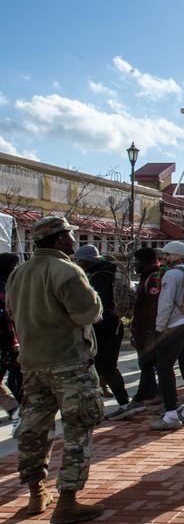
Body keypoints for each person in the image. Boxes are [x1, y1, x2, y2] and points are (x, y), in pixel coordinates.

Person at [6, 216, 105, 521]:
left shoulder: (18, 273)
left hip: (33, 365)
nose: (75, 240)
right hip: (69, 364)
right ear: (60, 239)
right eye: (70, 235)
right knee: (77, 430)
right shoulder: (67, 270)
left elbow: (11, 311)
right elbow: (88, 313)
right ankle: (67, 502)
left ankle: (36, 494)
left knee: (33, 431)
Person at [71, 244, 136, 421]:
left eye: (79, 260)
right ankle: (122, 403)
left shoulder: (97, 277)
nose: (77, 263)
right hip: (112, 326)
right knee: (105, 368)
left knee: (102, 368)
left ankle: (119, 404)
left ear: (86, 261)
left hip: (102, 327)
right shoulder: (107, 272)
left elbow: (97, 306)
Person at [150, 241, 184, 430]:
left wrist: (159, 327)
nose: (164, 258)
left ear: (174, 256)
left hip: (174, 326)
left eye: (166, 255)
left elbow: (166, 303)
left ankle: (170, 415)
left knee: (164, 368)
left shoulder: (172, 274)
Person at [129, 247, 161, 409]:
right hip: (142, 329)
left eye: (137, 261)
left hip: (148, 331)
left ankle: (141, 396)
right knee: (147, 364)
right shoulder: (146, 276)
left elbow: (153, 308)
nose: (135, 264)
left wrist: (149, 330)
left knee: (147, 363)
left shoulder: (154, 278)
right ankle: (152, 393)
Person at [0, 253, 23, 422]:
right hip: (7, 341)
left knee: (16, 376)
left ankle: (16, 410)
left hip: (7, 341)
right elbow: (5, 318)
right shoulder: (3, 287)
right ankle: (16, 410)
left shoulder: (6, 286)